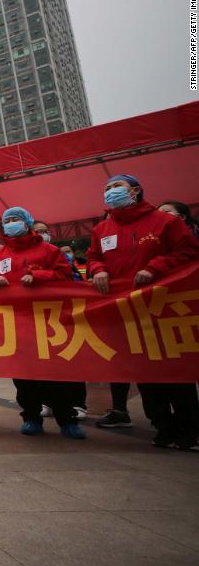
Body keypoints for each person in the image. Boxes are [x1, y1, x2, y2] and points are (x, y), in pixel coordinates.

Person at [87, 175, 199, 450]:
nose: (111, 192)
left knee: (175, 373)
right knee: (144, 372)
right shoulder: (102, 229)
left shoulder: (165, 222)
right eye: (107, 189)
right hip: (127, 312)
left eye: (117, 187)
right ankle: (163, 426)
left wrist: (155, 268)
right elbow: (93, 258)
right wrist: (98, 271)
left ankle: (190, 430)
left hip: (165, 309)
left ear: (135, 191)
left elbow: (188, 251)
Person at [0, 207, 86, 439]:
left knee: (55, 373)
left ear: (27, 223)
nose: (11, 223)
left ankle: (67, 420)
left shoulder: (49, 250)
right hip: (16, 321)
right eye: (7, 220)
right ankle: (31, 417)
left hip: (48, 320)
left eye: (16, 220)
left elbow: (65, 275)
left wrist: (39, 276)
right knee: (24, 375)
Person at [30, 221, 88, 420]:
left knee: (67, 356)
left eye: (45, 231)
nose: (41, 234)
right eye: (37, 231)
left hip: (60, 312)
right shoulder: (14, 254)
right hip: (33, 315)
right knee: (42, 361)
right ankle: (46, 402)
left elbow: (69, 277)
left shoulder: (53, 252)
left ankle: (77, 403)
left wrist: (37, 276)